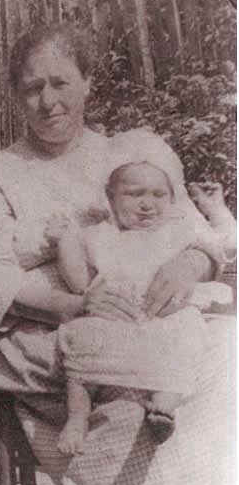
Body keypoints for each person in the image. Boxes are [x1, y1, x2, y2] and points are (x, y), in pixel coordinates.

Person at [0, 21, 235, 485]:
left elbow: (199, 233)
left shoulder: (125, 155)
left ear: (88, 82)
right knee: (128, 378)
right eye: (32, 87)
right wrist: (71, 304)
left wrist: (191, 263)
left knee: (228, 351)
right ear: (15, 94)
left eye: (61, 83)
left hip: (146, 318)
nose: (48, 101)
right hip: (43, 330)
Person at [50, 161, 235, 453]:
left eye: (159, 195)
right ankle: (77, 418)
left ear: (172, 200)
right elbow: (78, 282)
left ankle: (165, 404)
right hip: (115, 314)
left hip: (165, 314)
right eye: (135, 194)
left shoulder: (179, 230)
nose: (147, 204)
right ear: (110, 198)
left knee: (189, 332)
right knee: (81, 339)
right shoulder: (98, 235)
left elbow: (225, 245)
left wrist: (216, 211)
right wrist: (64, 242)